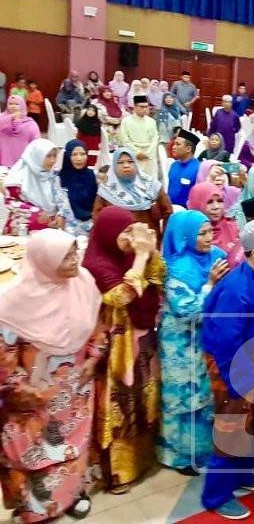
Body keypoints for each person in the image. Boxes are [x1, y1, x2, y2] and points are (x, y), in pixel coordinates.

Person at [0, 229, 103, 522]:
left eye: (75, 252)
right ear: (45, 261)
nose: (75, 260)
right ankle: (36, 507)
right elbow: (5, 353)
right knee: (35, 449)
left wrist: (94, 357)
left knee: (74, 444)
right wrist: (23, 388)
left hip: (77, 387)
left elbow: (98, 327)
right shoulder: (13, 302)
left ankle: (72, 494)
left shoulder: (84, 283)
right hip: (34, 393)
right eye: (65, 256)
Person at [200, 219, 254, 520]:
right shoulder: (235, 289)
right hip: (230, 364)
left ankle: (242, 475)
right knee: (232, 428)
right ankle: (216, 496)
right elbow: (225, 344)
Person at [82, 207, 164, 493]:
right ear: (108, 234)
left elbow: (159, 277)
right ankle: (118, 472)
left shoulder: (129, 256)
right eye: (125, 232)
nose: (131, 237)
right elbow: (121, 296)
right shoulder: (97, 263)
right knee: (120, 404)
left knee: (144, 396)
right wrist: (141, 257)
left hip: (141, 337)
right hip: (116, 345)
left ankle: (143, 459)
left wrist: (150, 252)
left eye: (133, 230)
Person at [158, 210, 229, 476]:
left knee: (205, 394)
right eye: (202, 233)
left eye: (211, 231)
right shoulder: (175, 269)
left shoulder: (216, 257)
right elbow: (187, 311)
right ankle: (179, 456)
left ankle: (203, 449)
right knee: (184, 397)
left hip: (208, 340)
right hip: (180, 343)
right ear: (185, 236)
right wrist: (210, 284)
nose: (209, 237)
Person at [93, 148, 173, 236]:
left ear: (136, 163)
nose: (126, 165)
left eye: (130, 161)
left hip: (148, 240)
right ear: (114, 166)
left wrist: (165, 238)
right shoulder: (106, 190)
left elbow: (168, 212)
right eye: (120, 162)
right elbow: (98, 219)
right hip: (117, 240)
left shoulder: (152, 186)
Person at [3, 139, 64, 235]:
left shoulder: (53, 175)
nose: (52, 160)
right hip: (22, 228)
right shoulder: (19, 175)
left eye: (54, 156)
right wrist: (37, 213)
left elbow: (61, 198)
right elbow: (11, 202)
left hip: (50, 228)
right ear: (36, 156)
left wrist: (60, 213)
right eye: (48, 156)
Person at [187, 182, 243, 266]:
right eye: (209, 202)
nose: (216, 207)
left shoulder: (234, 227)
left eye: (220, 201)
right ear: (196, 204)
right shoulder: (188, 234)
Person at [58, 140, 97, 237]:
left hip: (92, 223)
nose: (79, 158)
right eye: (74, 154)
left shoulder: (92, 175)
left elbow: (97, 203)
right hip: (68, 227)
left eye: (83, 154)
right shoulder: (60, 178)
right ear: (67, 156)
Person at [117, 95, 160, 178]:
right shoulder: (126, 121)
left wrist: (148, 153)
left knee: (150, 179)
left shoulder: (152, 121)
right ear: (135, 107)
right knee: (134, 179)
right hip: (133, 155)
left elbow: (155, 139)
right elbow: (125, 139)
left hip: (149, 155)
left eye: (146, 107)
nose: (144, 109)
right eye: (142, 107)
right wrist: (137, 152)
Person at [0, 95, 40, 167]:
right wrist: (11, 117)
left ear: (22, 106)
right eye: (10, 104)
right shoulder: (2, 118)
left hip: (22, 160)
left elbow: (36, 142)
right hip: (3, 160)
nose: (13, 106)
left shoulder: (29, 123)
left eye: (16, 104)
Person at [167, 128, 200, 207]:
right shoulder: (173, 165)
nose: (173, 147)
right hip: (172, 209)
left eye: (177, 144)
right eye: (174, 144)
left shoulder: (199, 168)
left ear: (188, 149)